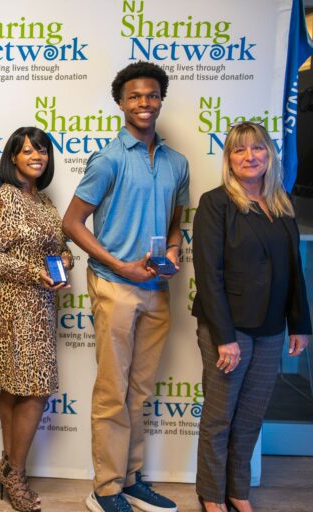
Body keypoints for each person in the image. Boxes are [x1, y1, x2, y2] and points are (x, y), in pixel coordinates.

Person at [62, 61, 188, 512]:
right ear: (120, 103)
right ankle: (106, 489)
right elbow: (73, 223)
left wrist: (173, 253)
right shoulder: (109, 159)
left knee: (140, 391)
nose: (144, 103)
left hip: (158, 288)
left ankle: (131, 478)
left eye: (151, 95)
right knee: (113, 391)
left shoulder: (177, 163)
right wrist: (120, 265)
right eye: (134, 96)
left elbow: (176, 224)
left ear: (160, 100)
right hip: (115, 285)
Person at [192, 122, 310, 512]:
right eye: (240, 150)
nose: (250, 157)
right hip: (229, 328)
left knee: (251, 416)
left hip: (272, 328)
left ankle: (237, 491)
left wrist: (300, 325)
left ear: (269, 156)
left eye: (257, 149)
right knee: (220, 417)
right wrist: (225, 336)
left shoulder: (281, 205)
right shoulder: (216, 203)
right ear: (229, 159)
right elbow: (209, 273)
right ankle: (211, 495)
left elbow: (293, 269)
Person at [0, 126, 72, 512]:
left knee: (20, 386)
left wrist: (65, 260)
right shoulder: (7, 197)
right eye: (27, 150)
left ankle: (9, 467)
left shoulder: (44, 201)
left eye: (42, 150)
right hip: (15, 304)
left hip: (43, 304)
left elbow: (59, 246)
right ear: (13, 158)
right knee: (33, 387)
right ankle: (16, 473)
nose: (36, 155)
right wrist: (34, 272)